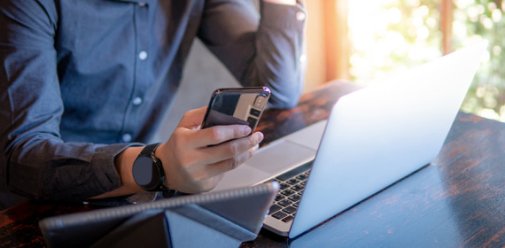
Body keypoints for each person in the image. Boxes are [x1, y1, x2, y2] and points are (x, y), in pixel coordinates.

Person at [0, 0, 305, 208]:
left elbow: (276, 89)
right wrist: (156, 166)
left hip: (135, 197)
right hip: (31, 209)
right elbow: (22, 156)